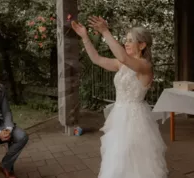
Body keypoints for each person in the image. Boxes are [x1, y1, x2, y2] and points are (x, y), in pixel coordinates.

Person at [71, 16, 168, 178]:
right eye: (126, 40)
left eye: (131, 41)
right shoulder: (121, 64)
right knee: (116, 158)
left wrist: (105, 31)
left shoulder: (145, 66)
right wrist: (85, 37)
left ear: (142, 45)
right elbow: (97, 59)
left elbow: (123, 57)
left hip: (135, 120)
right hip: (118, 116)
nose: (126, 43)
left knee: (132, 159)